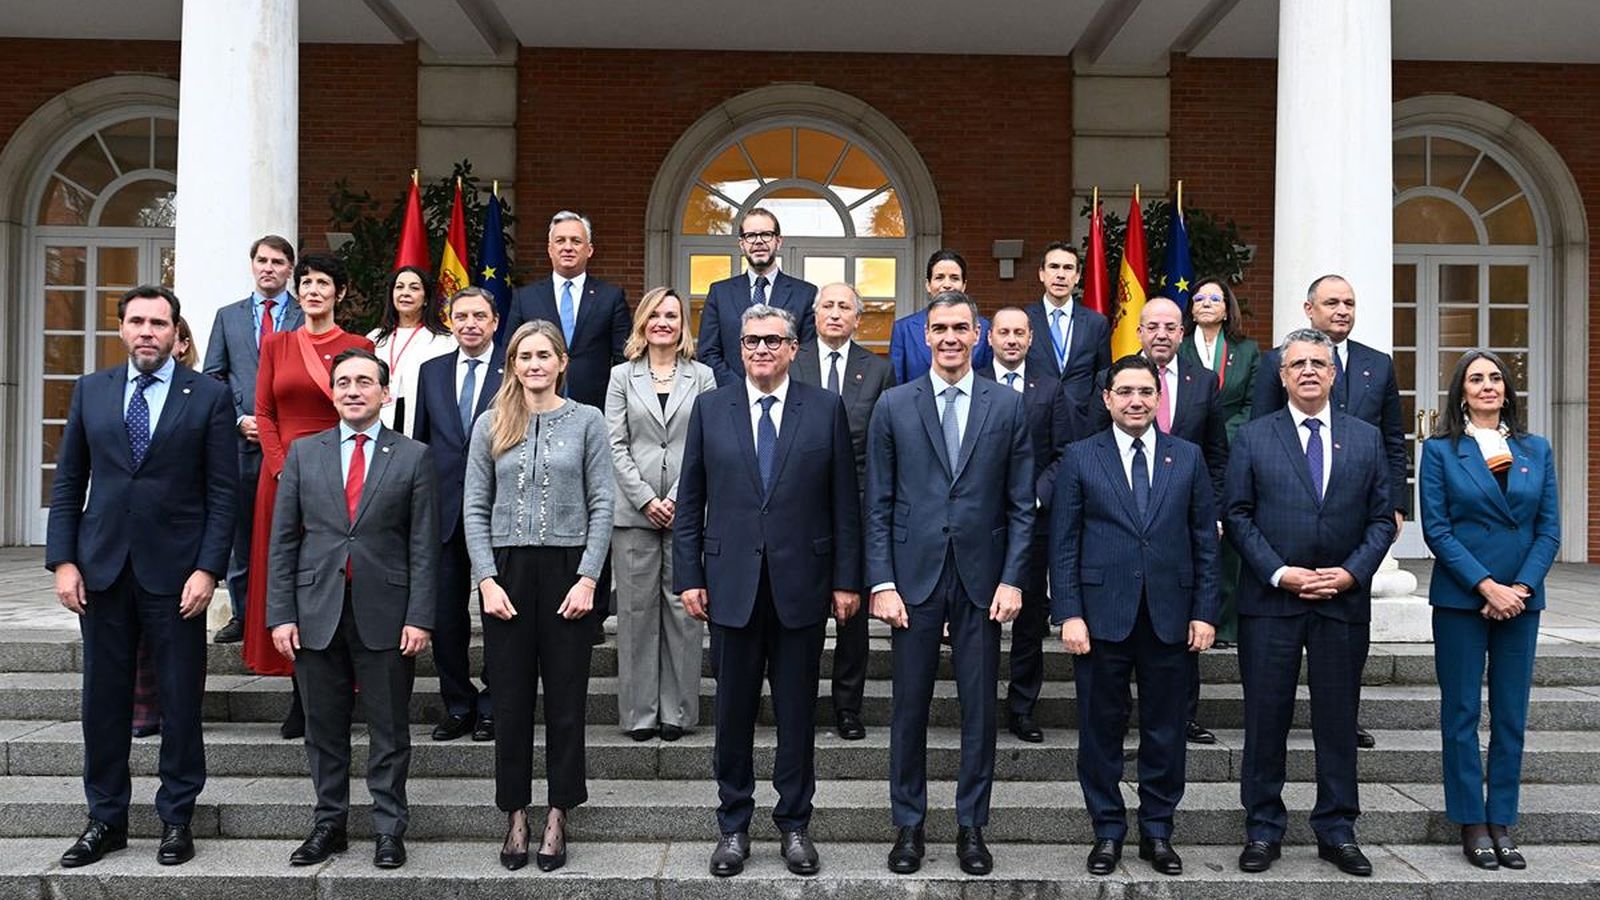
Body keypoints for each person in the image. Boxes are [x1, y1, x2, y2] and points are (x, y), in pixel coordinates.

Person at [47, 285, 237, 868]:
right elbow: (68, 481)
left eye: (159, 322)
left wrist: (209, 570)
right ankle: (105, 819)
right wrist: (64, 560)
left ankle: (176, 818)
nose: (147, 331)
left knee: (181, 700)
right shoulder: (91, 391)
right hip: (101, 570)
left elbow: (223, 493)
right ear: (122, 329)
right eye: (137, 321)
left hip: (177, 576)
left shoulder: (207, 396)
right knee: (102, 702)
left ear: (177, 334)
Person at [674, 304, 861, 878]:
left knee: (798, 713)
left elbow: (844, 503)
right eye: (750, 339)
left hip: (801, 587)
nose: (760, 349)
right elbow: (690, 502)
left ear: (793, 348)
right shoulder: (711, 409)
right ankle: (732, 825)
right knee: (731, 713)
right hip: (729, 587)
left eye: (772, 340)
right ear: (738, 347)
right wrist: (689, 577)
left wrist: (847, 580)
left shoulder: (825, 408)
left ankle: (795, 824)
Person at [866, 291, 1034, 877]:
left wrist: (1013, 579)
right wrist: (881, 581)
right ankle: (908, 825)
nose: (950, 338)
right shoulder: (894, 404)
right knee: (908, 708)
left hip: (983, 581)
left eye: (961, 328)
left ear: (979, 334)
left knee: (979, 710)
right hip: (912, 580)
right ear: (925, 336)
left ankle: (971, 827)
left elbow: (1021, 507)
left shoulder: (1007, 406)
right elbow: (879, 503)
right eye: (939, 328)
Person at [1224, 328, 1395, 877]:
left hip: (1341, 603)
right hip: (1272, 603)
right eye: (1297, 364)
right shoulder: (1253, 437)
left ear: (1334, 372)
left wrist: (1350, 574)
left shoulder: (1365, 438)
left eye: (1319, 363)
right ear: (1281, 374)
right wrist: (1280, 572)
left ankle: (1337, 829)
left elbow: (1380, 520)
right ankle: (1263, 829)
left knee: (1338, 720)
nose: (1308, 372)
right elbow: (1239, 517)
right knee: (1266, 720)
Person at [266, 348, 438, 870]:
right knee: (324, 728)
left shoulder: (413, 456)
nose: (353, 390)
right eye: (343, 382)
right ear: (332, 392)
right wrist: (280, 613)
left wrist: (420, 616)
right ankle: (328, 825)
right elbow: (283, 541)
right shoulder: (303, 453)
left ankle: (389, 828)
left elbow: (424, 547)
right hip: (315, 609)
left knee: (389, 729)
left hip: (386, 612)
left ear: (385, 394)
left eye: (365, 381)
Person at [1050, 354, 1218, 877]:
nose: (1136, 401)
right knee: (1100, 730)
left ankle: (1158, 831)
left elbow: (1205, 544)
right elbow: (1064, 542)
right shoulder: (1080, 457)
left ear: (1158, 397)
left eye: (1145, 391)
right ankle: (1106, 831)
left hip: (1170, 616)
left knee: (1166, 730)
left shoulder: (1187, 457)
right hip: (1101, 618)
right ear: (1107, 399)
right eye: (1125, 392)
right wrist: (1069, 613)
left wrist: (1205, 612)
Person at [464, 320, 614, 872]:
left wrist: (589, 578)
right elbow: (474, 507)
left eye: (543, 355)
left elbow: (604, 504)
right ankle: (515, 813)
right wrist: (485, 578)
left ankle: (558, 810)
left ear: (561, 362)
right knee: (509, 702)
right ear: (513, 363)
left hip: (568, 573)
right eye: (524, 355)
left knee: (567, 701)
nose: (534, 364)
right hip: (506, 573)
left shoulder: (589, 421)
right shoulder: (491, 423)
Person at [1252, 275, 1406, 753]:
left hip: (1353, 516)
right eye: (1332, 302)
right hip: (1287, 528)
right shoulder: (1278, 362)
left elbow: (1393, 440)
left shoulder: (1376, 366)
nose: (1342, 310)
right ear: (1308, 309)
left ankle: (1345, 720)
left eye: (1350, 303)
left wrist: (1397, 504)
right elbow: (1260, 434)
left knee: (1341, 669)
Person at [1419, 350, 1559, 870]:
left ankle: (1501, 818)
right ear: (1460, 391)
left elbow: (1548, 529)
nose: (1487, 386)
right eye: (1475, 379)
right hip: (1462, 598)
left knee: (1511, 714)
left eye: (1495, 377)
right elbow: (1437, 529)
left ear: (1508, 389)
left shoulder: (1536, 449)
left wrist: (1518, 588)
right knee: (1460, 713)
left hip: (1521, 600)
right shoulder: (1439, 451)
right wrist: (1486, 586)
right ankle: (1470, 821)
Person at [241, 253, 374, 740]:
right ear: (296, 292)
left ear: (338, 291)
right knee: (292, 580)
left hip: (342, 476)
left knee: (337, 579)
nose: (314, 290)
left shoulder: (358, 345)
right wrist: (282, 470)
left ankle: (346, 689)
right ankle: (302, 695)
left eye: (323, 282)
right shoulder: (276, 344)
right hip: (281, 479)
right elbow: (264, 412)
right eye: (307, 282)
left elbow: (361, 411)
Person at [605, 287, 716, 741]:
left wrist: (678, 498)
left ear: (682, 324)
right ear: (643, 323)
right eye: (655, 315)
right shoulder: (620, 377)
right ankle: (639, 714)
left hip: (687, 511)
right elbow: (615, 444)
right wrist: (648, 498)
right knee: (635, 614)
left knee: (684, 612)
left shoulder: (703, 377)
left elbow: (707, 444)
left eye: (671, 315)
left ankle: (677, 712)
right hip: (634, 514)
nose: (663, 322)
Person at [792, 282, 894, 741]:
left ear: (859, 319)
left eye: (844, 307)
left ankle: (847, 707)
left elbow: (883, 444)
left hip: (856, 506)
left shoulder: (878, 370)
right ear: (814, 316)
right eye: (827, 306)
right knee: (805, 611)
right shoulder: (793, 360)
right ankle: (800, 701)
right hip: (802, 506)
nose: (835, 314)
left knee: (852, 614)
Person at [976, 306, 1074, 743]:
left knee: (1030, 622)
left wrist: (1034, 494)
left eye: (1020, 332)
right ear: (990, 337)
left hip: (1032, 524)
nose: (1012, 339)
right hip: (978, 525)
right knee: (977, 622)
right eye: (1004, 332)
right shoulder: (970, 380)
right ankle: (977, 707)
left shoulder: (1050, 390)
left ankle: (1022, 709)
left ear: (1032, 339)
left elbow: (1064, 453)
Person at [412, 288, 505, 743]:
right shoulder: (431, 372)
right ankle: (458, 703)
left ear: (494, 321)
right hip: (443, 509)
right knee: (446, 616)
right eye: (461, 315)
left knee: (498, 616)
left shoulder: (516, 368)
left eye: (478, 316)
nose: (469, 323)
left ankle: (492, 705)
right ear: (450, 321)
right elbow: (421, 442)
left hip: (499, 510)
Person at [202, 235, 304, 645]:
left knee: (292, 528)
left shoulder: (304, 314)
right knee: (242, 533)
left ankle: (291, 611)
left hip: (294, 442)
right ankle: (243, 615)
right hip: (243, 442)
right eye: (262, 260)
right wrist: (240, 418)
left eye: (278, 262)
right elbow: (213, 375)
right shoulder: (228, 317)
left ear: (289, 269)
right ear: (252, 264)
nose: (269, 268)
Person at [1177, 278, 1260, 741]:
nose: (1207, 305)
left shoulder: (1247, 352)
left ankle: (1223, 619)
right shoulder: (1180, 348)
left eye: (1215, 299)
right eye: (1199, 299)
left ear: (1226, 310)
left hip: (1232, 453)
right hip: (1184, 453)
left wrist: (1224, 433)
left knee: (1227, 537)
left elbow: (1252, 402)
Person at [504, 210, 629, 409]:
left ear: (589, 250)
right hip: (534, 407)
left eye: (576, 241)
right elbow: (509, 355)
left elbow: (624, 359)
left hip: (595, 406)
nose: (568, 247)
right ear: (550, 249)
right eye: (560, 241)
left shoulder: (610, 297)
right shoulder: (525, 297)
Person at [698, 207, 817, 386]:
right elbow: (708, 352)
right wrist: (743, 390)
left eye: (766, 234)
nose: (758, 241)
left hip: (787, 401)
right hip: (732, 398)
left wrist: (779, 388)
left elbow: (808, 355)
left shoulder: (805, 294)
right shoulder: (719, 293)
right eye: (751, 236)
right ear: (741, 243)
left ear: (778, 241)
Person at [1023, 241, 1111, 437]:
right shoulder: (1023, 320)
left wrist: (1095, 422)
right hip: (1034, 425)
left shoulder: (1096, 323)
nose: (1061, 275)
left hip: (1081, 425)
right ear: (1041, 274)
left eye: (1068, 268)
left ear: (1077, 277)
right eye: (1054, 267)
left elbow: (1103, 376)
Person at [367, 265, 456, 436]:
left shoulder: (445, 340)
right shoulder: (374, 338)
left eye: (414, 288)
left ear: (426, 299)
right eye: (399, 287)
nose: (405, 293)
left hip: (425, 423)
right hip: (378, 418)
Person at [887, 249, 993, 384]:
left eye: (954, 278)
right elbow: (896, 382)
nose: (947, 284)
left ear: (964, 285)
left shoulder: (984, 327)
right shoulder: (904, 329)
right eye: (939, 277)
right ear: (928, 285)